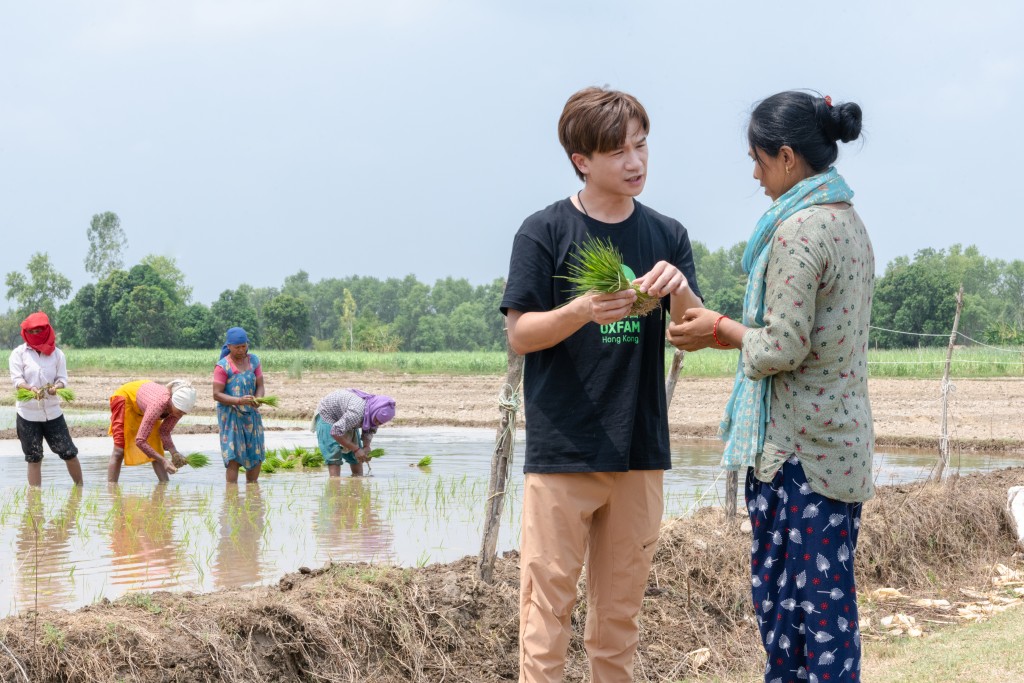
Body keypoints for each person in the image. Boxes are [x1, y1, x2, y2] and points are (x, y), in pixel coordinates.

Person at [667, 91, 872, 683]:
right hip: (838, 446)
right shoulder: (848, 221)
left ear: (787, 157)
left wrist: (719, 330)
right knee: (827, 614)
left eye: (757, 160)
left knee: (794, 619)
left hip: (798, 456)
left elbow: (783, 346)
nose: (755, 174)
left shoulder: (798, 232)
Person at [500, 86, 703, 682]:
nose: (635, 162)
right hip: (564, 450)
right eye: (617, 152)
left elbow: (690, 332)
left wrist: (679, 290)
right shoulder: (544, 231)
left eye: (641, 146)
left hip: (639, 449)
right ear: (581, 161)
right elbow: (521, 333)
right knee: (546, 615)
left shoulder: (666, 235)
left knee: (619, 620)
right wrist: (583, 310)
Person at [8, 311, 83, 486]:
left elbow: (62, 379)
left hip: (53, 413)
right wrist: (31, 388)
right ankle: (35, 500)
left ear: (47, 330)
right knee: (34, 458)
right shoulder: (18, 354)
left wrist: (55, 387)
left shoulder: (57, 354)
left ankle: (80, 490)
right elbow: (17, 380)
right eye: (32, 331)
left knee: (69, 453)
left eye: (39, 330)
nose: (35, 334)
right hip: (28, 415)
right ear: (26, 332)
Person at [107, 379, 197, 482]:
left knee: (157, 449)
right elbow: (140, 440)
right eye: (180, 411)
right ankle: (111, 490)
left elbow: (164, 431)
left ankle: (164, 486)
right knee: (119, 450)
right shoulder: (158, 406)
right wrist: (163, 461)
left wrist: (174, 453)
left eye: (184, 413)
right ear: (172, 402)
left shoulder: (177, 410)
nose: (180, 415)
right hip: (126, 399)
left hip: (145, 406)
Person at [213, 327, 266, 483]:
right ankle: (232, 495)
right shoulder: (222, 366)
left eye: (244, 346)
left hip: (251, 414)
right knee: (234, 456)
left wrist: (258, 399)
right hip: (231, 416)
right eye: (237, 347)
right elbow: (216, 394)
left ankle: (252, 491)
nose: (241, 350)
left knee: (256, 455)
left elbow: (260, 386)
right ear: (228, 346)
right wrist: (238, 401)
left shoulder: (254, 361)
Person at [313, 388, 395, 477]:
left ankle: (358, 479)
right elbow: (335, 432)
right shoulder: (356, 413)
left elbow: (370, 429)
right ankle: (334, 484)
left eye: (380, 422)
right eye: (376, 420)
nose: (377, 423)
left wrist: (366, 446)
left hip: (346, 417)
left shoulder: (373, 412)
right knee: (333, 454)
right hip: (328, 414)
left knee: (356, 456)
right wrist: (356, 449)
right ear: (374, 412)